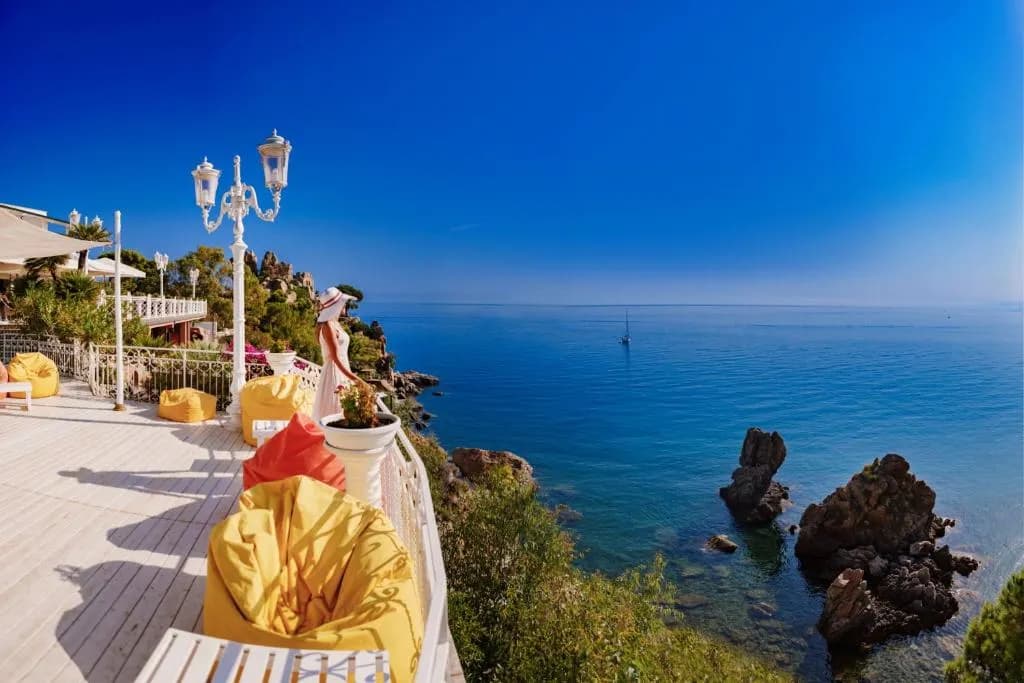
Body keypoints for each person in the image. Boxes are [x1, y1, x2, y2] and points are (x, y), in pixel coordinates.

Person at [312, 286, 365, 420]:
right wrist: (357, 380)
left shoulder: (333, 323)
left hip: (339, 370)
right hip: (335, 374)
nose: (345, 305)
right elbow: (335, 358)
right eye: (343, 302)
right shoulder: (328, 326)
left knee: (342, 412)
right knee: (337, 413)